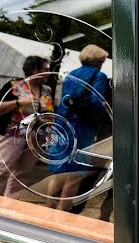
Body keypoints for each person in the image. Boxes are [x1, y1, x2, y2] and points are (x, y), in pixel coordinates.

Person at [46, 44, 111, 211]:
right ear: (97, 61)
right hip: (82, 128)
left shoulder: (72, 75)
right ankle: (62, 215)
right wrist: (105, 110)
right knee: (75, 176)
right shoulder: (100, 76)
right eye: (102, 60)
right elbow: (96, 102)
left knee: (59, 172)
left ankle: (49, 210)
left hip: (63, 124)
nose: (103, 63)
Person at [0, 55, 53, 198]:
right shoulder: (14, 86)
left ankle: (10, 208)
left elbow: (50, 113)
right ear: (34, 70)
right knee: (1, 171)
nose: (48, 72)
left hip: (35, 137)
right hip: (12, 132)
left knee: (23, 174)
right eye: (44, 69)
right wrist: (19, 102)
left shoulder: (46, 90)